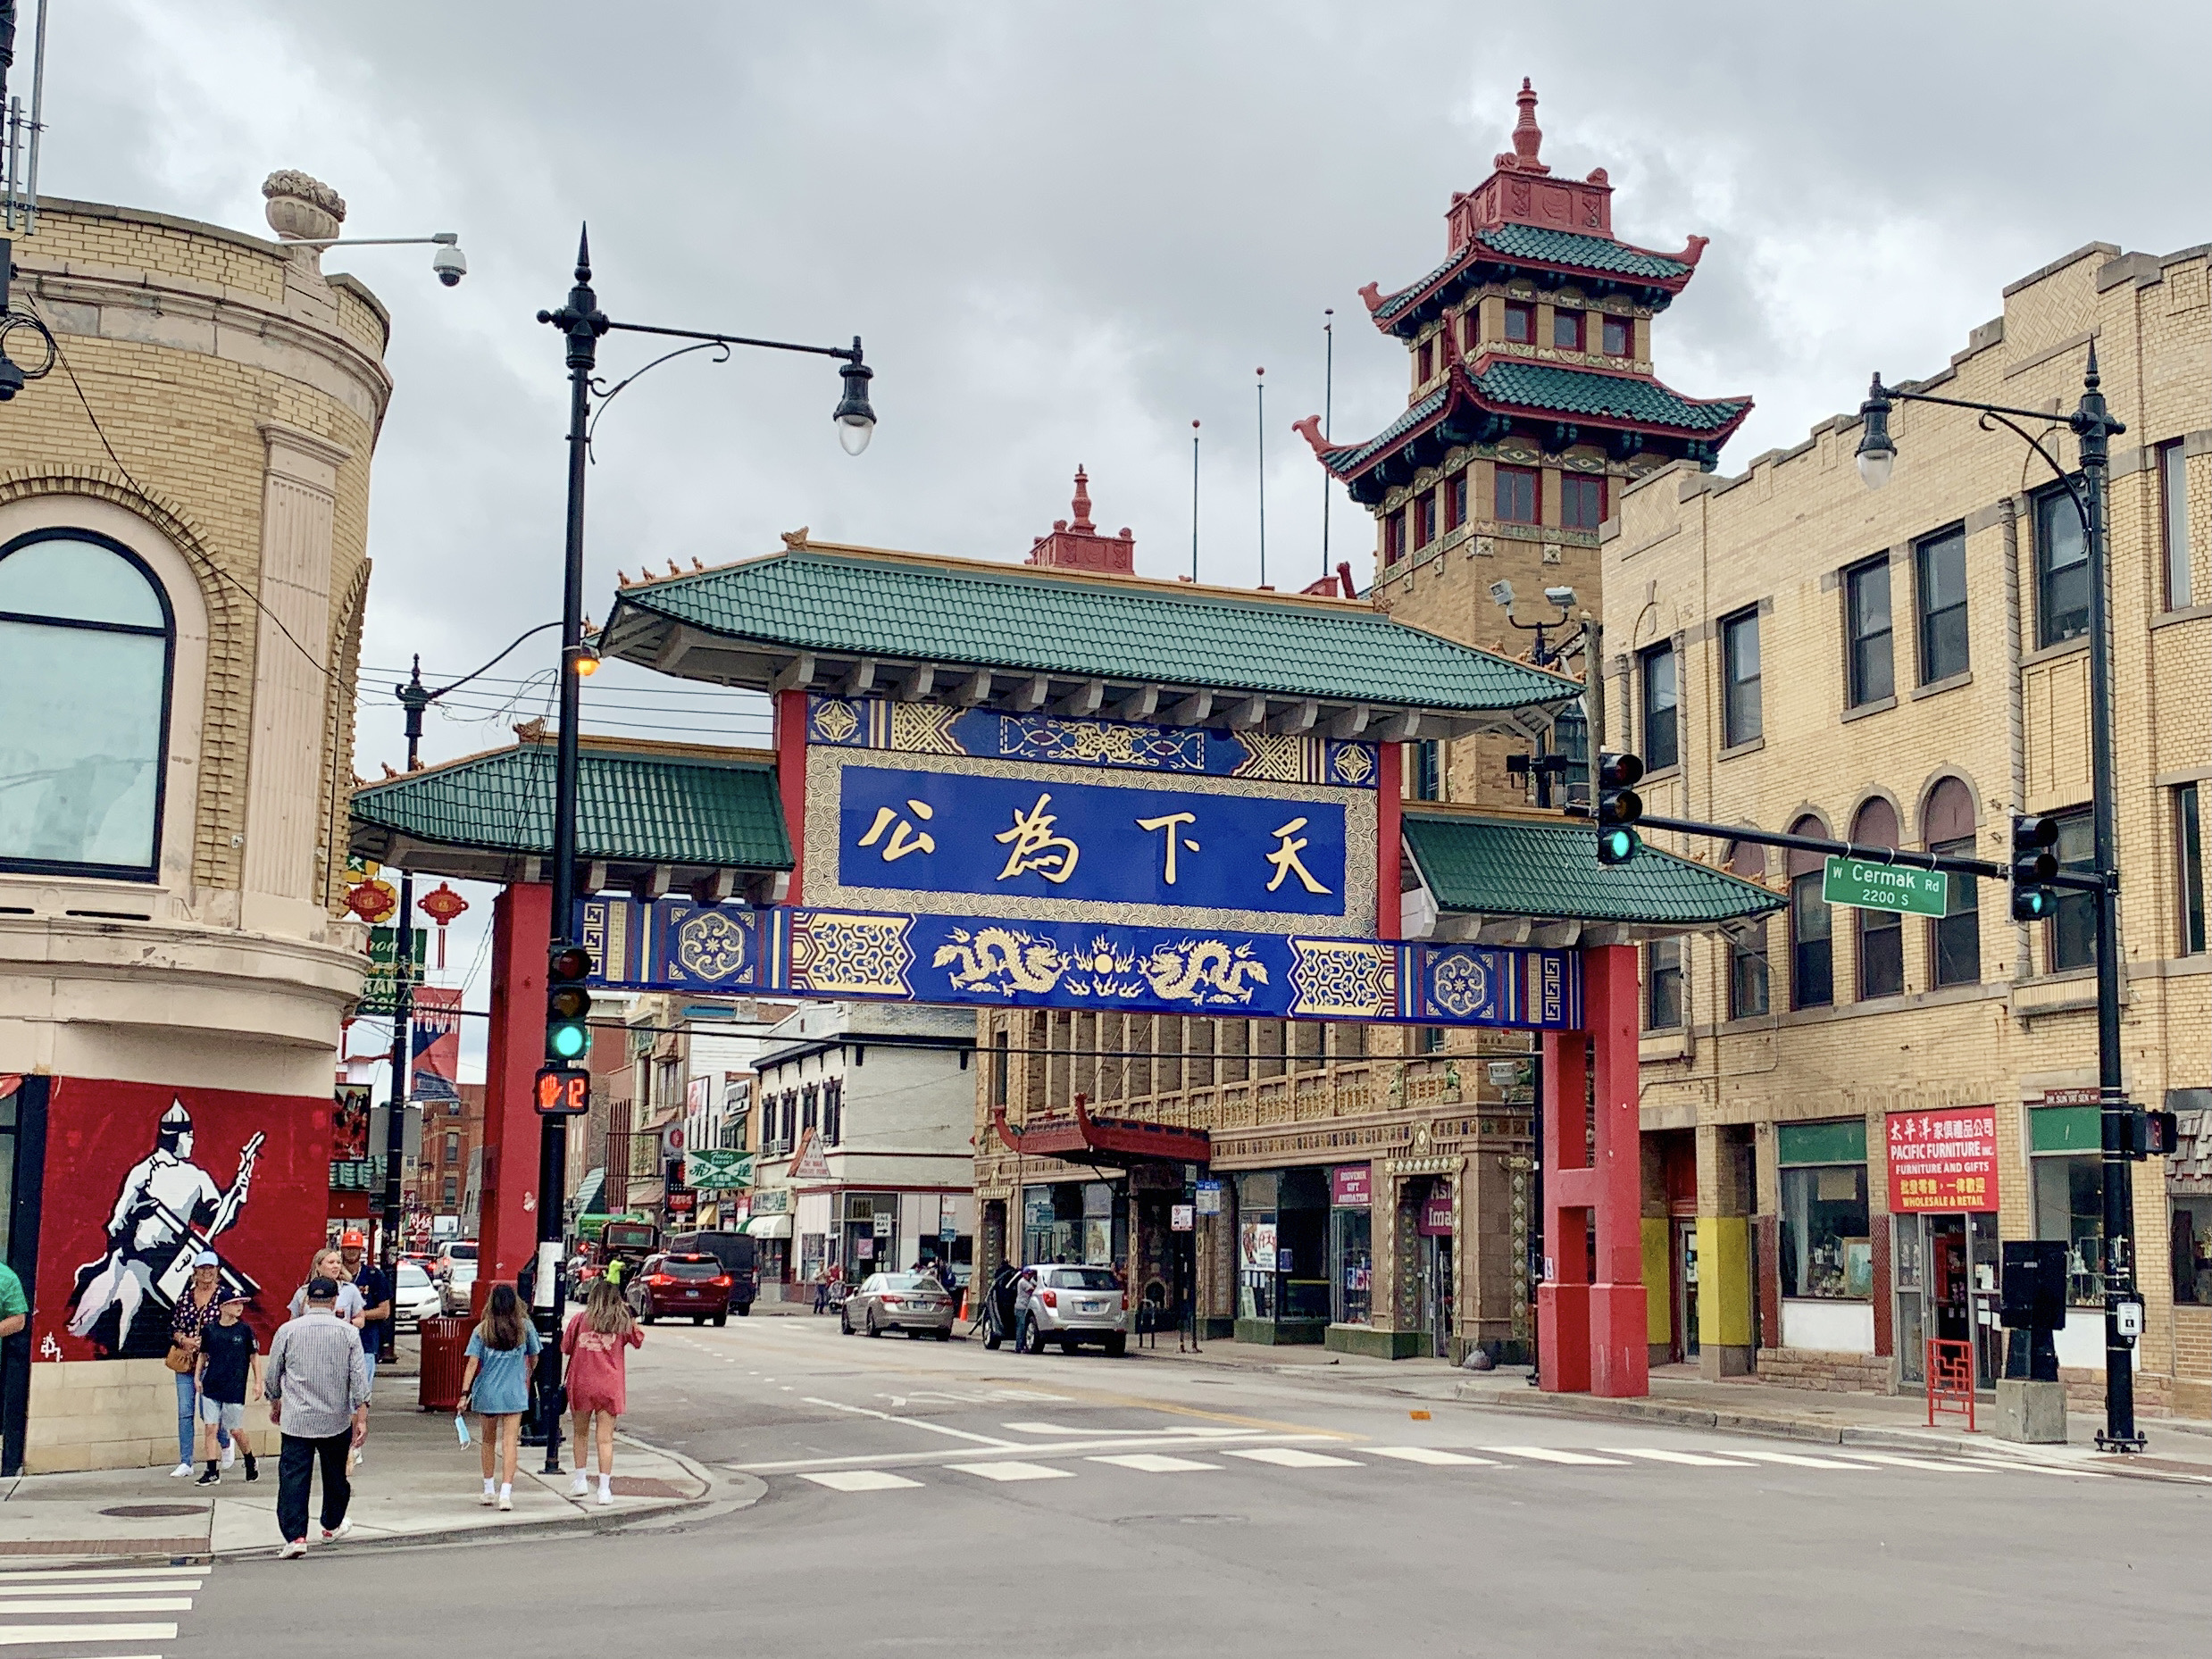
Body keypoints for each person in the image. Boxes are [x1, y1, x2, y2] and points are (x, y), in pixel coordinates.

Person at [264, 1275, 369, 1559]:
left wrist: (275, 1401)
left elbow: (273, 1374)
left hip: (297, 1418)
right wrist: (361, 1415)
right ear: (335, 1300)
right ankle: (331, 1524)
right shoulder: (348, 1333)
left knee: (293, 1478)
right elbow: (359, 1379)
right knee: (335, 1476)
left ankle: (295, 1536)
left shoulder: (288, 1331)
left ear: (307, 1300)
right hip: (335, 1418)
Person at [562, 1278, 642, 1507]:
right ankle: (604, 1489)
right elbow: (637, 1340)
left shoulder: (579, 1320)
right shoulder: (621, 1322)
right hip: (609, 1385)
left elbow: (566, 1347)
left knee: (580, 1433)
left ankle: (580, 1481)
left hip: (582, 1383)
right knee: (605, 1439)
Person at [459, 1283, 539, 1512]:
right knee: (510, 1442)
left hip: (487, 1393)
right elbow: (534, 1356)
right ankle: (506, 1493)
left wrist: (464, 1394)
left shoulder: (482, 1330)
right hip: (514, 1392)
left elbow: (472, 1363)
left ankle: (488, 1489)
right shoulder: (525, 1328)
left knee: (487, 1441)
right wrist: (526, 1374)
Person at [167, 1251, 226, 1477]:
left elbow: (232, 1324)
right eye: (203, 1268)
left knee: (208, 1410)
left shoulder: (224, 1297)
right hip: (187, 1361)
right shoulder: (185, 1298)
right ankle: (186, 1461)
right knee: (185, 1410)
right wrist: (184, 1340)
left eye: (211, 1268)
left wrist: (211, 1341)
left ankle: (226, 1442)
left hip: (212, 1362)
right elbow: (174, 1327)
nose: (207, 1272)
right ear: (195, 1272)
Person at [193, 1289, 261, 1485]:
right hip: (212, 1384)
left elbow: (253, 1357)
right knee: (210, 1427)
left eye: (241, 1303)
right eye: (234, 1303)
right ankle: (212, 1470)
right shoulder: (210, 1330)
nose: (239, 1307)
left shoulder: (245, 1330)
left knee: (235, 1430)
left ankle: (249, 1459)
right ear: (223, 1307)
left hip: (234, 1386)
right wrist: (198, 1377)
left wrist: (258, 1382)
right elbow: (203, 1355)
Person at [337, 1230, 390, 1390]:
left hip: (366, 1342)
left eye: (355, 1248)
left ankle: (360, 1416)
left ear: (362, 1250)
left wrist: (358, 1316)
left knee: (362, 1391)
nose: (351, 1251)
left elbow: (384, 1311)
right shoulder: (334, 1275)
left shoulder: (374, 1276)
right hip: (338, 1343)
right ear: (342, 1249)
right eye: (348, 1248)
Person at [288, 1247, 365, 1325]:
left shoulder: (350, 1289)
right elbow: (293, 1321)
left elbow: (361, 1320)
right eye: (331, 1262)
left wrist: (347, 1323)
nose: (336, 1266)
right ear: (318, 1266)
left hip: (340, 1335)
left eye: (338, 1262)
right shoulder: (303, 1291)